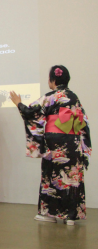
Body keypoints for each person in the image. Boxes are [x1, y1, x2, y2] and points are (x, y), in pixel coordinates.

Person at [10, 65, 91, 226]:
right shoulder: (74, 97)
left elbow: (31, 112)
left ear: (53, 80)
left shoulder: (52, 96)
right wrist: (84, 148)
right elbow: (84, 123)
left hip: (56, 142)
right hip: (73, 141)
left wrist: (19, 104)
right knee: (72, 176)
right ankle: (71, 215)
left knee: (52, 174)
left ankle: (50, 213)